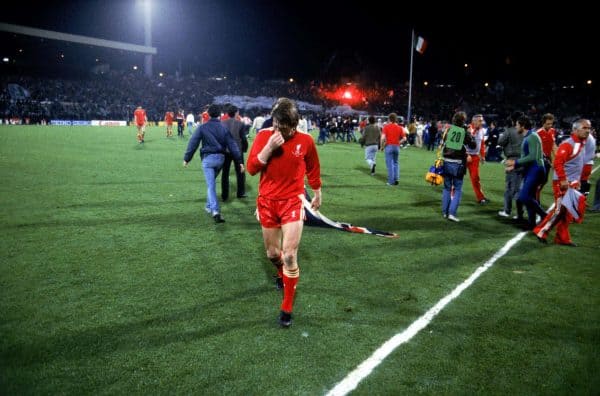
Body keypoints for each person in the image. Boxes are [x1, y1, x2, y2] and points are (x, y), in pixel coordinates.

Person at [246, 98, 322, 328]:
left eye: (284, 127)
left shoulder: (306, 141)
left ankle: (287, 306)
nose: (280, 130)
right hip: (268, 202)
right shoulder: (263, 136)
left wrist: (317, 191)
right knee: (272, 254)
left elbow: (313, 166)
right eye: (277, 124)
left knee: (289, 255)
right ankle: (281, 273)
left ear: (295, 124)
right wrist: (269, 147)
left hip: (292, 201)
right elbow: (251, 169)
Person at [533, 119, 592, 245]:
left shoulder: (581, 143)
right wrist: (563, 179)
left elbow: (577, 164)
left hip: (573, 183)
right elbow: (558, 163)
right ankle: (541, 230)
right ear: (575, 130)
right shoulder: (568, 144)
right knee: (560, 211)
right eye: (585, 128)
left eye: (589, 128)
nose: (588, 130)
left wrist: (578, 181)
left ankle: (562, 238)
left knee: (568, 212)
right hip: (563, 183)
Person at [183, 104, 244, 223]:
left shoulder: (202, 127)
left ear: (208, 114)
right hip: (220, 159)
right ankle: (208, 206)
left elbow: (193, 143)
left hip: (208, 159)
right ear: (219, 114)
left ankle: (215, 211)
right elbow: (232, 145)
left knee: (211, 185)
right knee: (210, 184)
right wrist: (239, 161)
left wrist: (187, 158)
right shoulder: (223, 128)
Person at [505, 115, 547, 230]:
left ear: (522, 126)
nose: (515, 126)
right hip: (532, 170)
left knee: (524, 196)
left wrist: (515, 163)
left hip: (536, 169)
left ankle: (545, 216)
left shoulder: (532, 136)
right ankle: (531, 223)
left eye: (517, 124)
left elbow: (533, 156)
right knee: (530, 197)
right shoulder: (530, 136)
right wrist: (514, 167)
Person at [440, 111, 477, 222]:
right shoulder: (464, 132)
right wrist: (470, 133)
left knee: (447, 188)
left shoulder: (448, 130)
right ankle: (452, 213)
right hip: (458, 163)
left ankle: (445, 212)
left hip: (446, 161)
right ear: (463, 121)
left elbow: (444, 142)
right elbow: (473, 145)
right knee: (457, 189)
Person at [497, 111, 524, 219]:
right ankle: (520, 213)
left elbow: (500, 142)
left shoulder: (509, 131)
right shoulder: (526, 131)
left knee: (510, 187)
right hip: (524, 161)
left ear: (513, 120)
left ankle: (507, 211)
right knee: (520, 187)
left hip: (512, 160)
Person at [221, 105, 248, 200]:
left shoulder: (222, 123)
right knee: (240, 172)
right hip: (237, 150)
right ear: (236, 113)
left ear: (228, 113)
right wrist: (244, 148)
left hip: (226, 151)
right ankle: (240, 193)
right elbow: (243, 138)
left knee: (225, 173)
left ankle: (225, 195)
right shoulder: (240, 124)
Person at [466, 114, 489, 204]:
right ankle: (452, 196)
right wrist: (466, 154)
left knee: (475, 178)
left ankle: (480, 198)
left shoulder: (482, 130)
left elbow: (482, 143)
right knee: (457, 177)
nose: (482, 122)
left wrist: (482, 156)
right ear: (474, 121)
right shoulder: (468, 129)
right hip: (465, 156)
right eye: (480, 121)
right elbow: (462, 144)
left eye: (482, 121)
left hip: (475, 157)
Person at [535, 113, 558, 203]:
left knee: (544, 180)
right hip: (540, 160)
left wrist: (558, 157)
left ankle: (534, 196)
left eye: (551, 123)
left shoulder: (552, 131)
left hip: (548, 159)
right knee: (539, 181)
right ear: (543, 123)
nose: (550, 125)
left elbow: (553, 145)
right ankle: (536, 201)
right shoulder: (538, 133)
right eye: (548, 123)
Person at [380, 113, 407, 185]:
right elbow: (404, 138)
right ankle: (396, 179)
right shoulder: (400, 127)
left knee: (390, 164)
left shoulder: (386, 127)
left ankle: (390, 181)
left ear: (389, 119)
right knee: (396, 163)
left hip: (389, 146)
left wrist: (382, 146)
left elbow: (382, 138)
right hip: (397, 147)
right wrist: (398, 142)